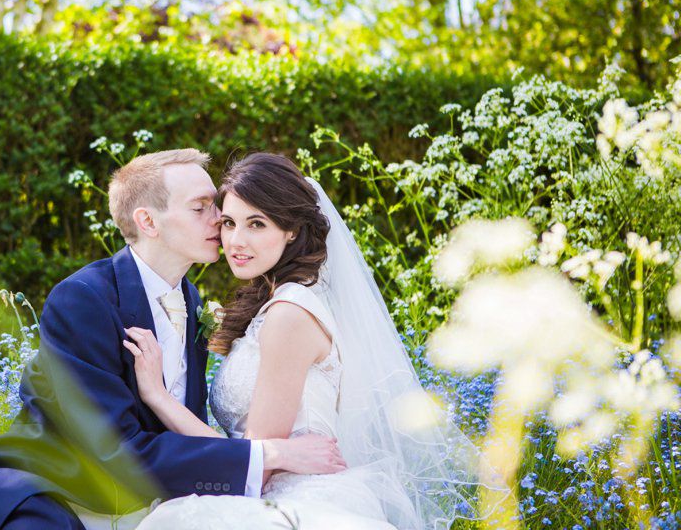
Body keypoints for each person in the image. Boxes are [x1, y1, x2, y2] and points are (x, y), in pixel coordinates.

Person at [0, 149, 345, 530]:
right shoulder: (83, 299)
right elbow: (113, 448)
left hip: (150, 500)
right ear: (148, 222)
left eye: (216, 205)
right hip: (52, 493)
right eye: (200, 207)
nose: (219, 218)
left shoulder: (191, 301)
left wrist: (163, 400)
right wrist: (269, 454)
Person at [127, 153, 497, 530]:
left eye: (257, 224)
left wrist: (158, 397)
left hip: (294, 501)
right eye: (229, 223)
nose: (236, 241)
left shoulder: (289, 315)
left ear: (291, 230)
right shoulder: (283, 303)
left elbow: (256, 465)